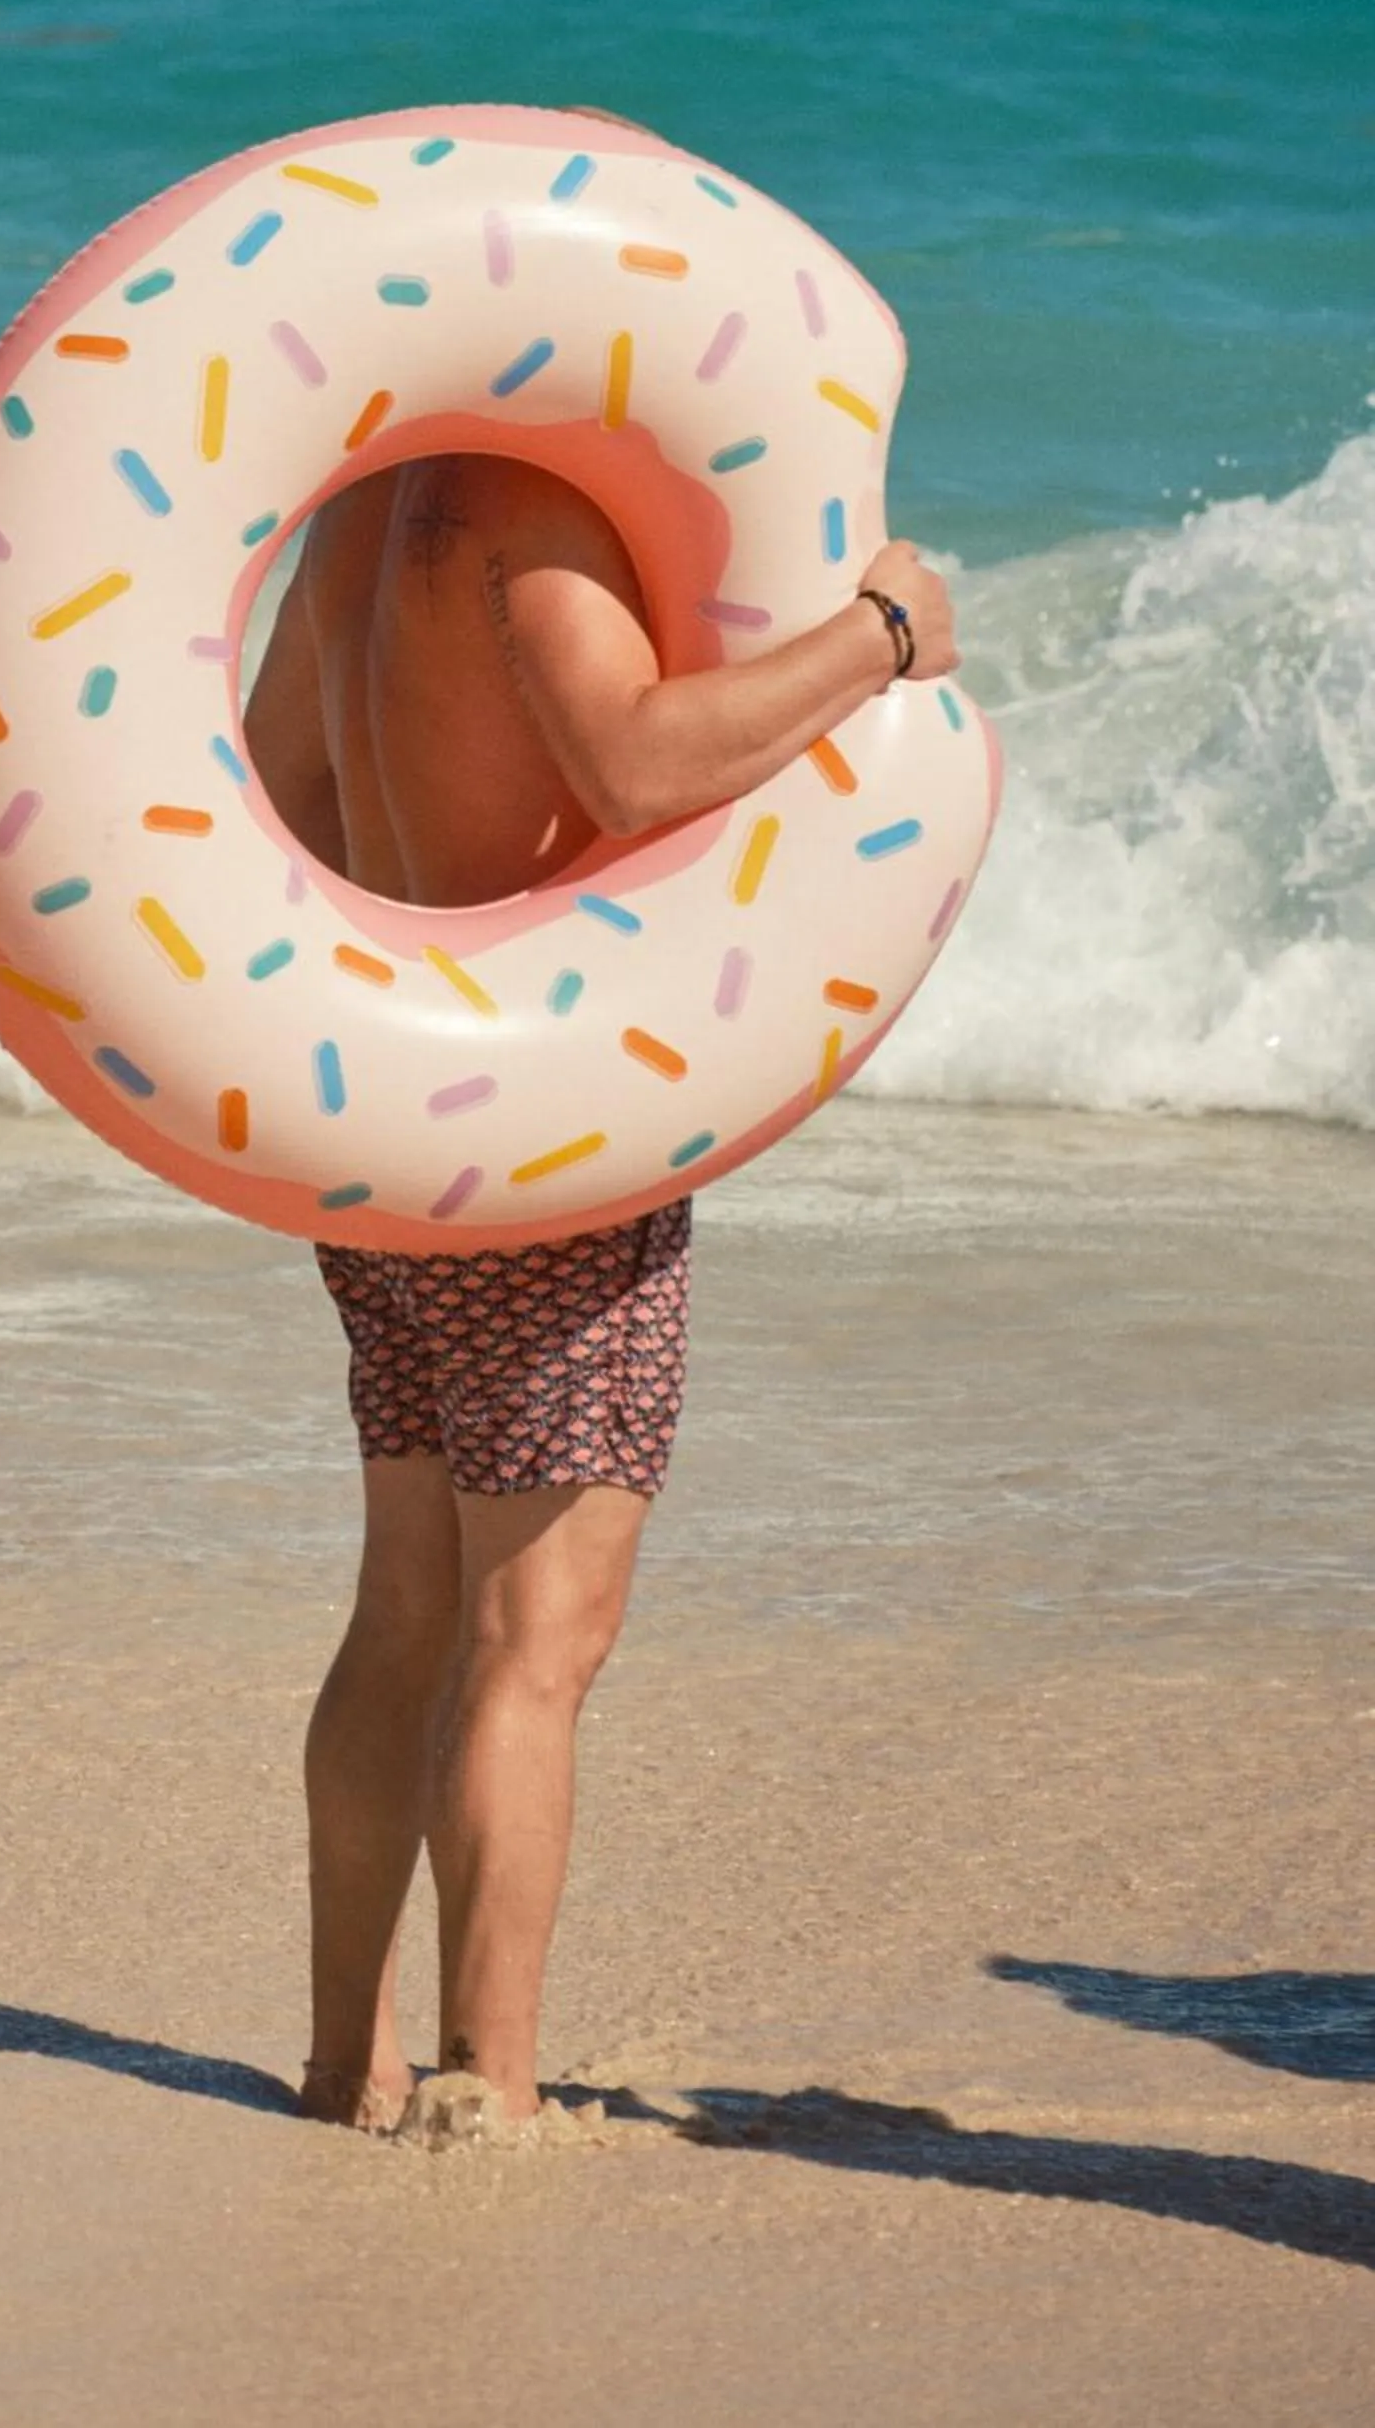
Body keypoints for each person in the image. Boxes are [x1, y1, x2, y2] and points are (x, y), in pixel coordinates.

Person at [241, 446, 959, 2131]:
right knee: (532, 1639)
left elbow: (279, 778)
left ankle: (349, 2057)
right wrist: (879, 632)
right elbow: (631, 764)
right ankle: (490, 2083)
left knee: (409, 1606)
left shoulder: (361, 517)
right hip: (542, 1124)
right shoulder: (526, 509)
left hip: (390, 1129)